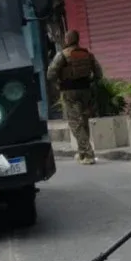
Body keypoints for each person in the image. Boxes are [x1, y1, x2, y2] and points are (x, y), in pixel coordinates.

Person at [47, 30, 104, 165]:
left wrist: (57, 84)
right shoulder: (87, 54)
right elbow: (99, 73)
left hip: (69, 92)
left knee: (75, 123)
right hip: (85, 90)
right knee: (83, 121)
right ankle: (82, 153)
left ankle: (88, 153)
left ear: (67, 40)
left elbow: (50, 73)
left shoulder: (62, 55)